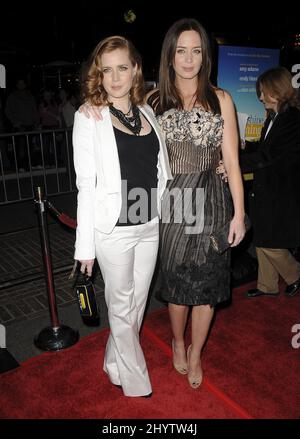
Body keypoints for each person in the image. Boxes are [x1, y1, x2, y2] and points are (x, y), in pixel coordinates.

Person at [145, 18, 246, 389]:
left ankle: (197, 350)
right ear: (170, 56)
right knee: (177, 285)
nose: (188, 59)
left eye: (196, 51)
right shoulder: (152, 100)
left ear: (205, 56)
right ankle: (176, 339)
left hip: (214, 201)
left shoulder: (222, 99)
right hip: (173, 201)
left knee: (208, 287)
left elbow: (233, 162)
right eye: (181, 51)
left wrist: (239, 213)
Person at [72, 35, 172, 397]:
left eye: (122, 68)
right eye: (107, 70)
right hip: (113, 229)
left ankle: (113, 363)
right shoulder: (89, 117)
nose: (115, 78)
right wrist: (85, 247)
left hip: (149, 224)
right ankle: (135, 382)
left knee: (136, 305)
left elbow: (160, 171)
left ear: (135, 71)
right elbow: (86, 186)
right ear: (99, 75)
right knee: (120, 304)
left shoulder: (146, 113)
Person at [239, 66, 300, 298]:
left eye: (264, 92)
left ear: (278, 90)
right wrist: (245, 146)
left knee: (268, 239)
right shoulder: (275, 117)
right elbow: (265, 148)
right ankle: (267, 285)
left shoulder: (292, 120)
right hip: (268, 188)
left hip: (281, 190)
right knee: (262, 235)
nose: (260, 97)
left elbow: (270, 156)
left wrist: (235, 165)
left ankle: (295, 273)